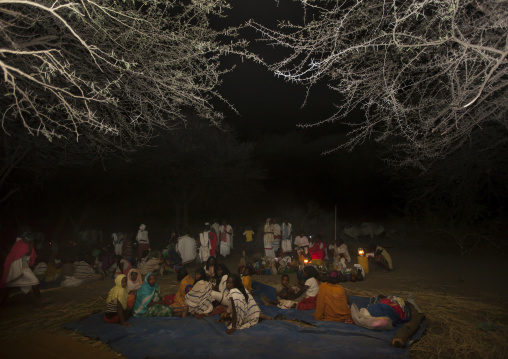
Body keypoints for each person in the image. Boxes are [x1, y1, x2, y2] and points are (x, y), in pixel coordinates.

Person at [0, 232, 41, 305]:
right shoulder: (21, 244)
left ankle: (2, 301)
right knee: (35, 282)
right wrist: (32, 244)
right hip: (20, 267)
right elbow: (27, 253)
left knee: (9, 285)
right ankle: (39, 300)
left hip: (22, 267)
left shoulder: (22, 243)